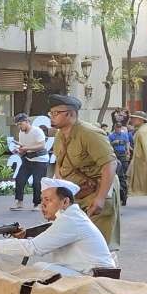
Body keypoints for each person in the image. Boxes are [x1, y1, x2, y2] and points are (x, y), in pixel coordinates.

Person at [0, 178, 115, 277]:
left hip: (94, 276)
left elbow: (33, 248)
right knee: (36, 270)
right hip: (87, 272)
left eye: (48, 200)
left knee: (38, 269)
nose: (43, 206)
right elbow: (42, 241)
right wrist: (25, 237)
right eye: (42, 200)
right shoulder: (70, 217)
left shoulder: (70, 220)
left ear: (65, 202)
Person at [48, 94, 120, 250]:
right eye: (50, 113)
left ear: (70, 114)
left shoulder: (90, 133)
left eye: (55, 113)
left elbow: (110, 164)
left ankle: (103, 274)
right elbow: (60, 164)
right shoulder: (60, 135)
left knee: (98, 246)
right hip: (76, 196)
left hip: (96, 191)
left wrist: (100, 199)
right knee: (77, 247)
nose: (51, 117)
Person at [10, 113, 50, 210]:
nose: (19, 126)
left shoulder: (37, 131)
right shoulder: (21, 133)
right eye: (17, 125)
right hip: (28, 159)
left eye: (20, 124)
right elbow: (23, 147)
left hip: (40, 160)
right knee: (20, 179)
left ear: (27, 121)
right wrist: (18, 150)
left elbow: (42, 145)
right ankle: (19, 202)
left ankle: (38, 204)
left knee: (37, 182)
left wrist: (27, 148)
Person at [127, 111, 147, 197]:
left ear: (140, 120)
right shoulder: (146, 129)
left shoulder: (142, 131)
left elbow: (146, 147)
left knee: (143, 181)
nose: (132, 120)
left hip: (142, 161)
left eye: (134, 118)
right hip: (142, 159)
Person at [108, 119, 132, 206]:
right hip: (115, 154)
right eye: (116, 127)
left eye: (119, 127)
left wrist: (128, 152)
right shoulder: (111, 136)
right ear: (114, 128)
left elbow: (127, 143)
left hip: (122, 154)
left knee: (123, 174)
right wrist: (114, 142)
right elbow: (108, 145)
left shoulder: (124, 135)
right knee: (116, 174)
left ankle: (124, 197)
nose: (118, 129)